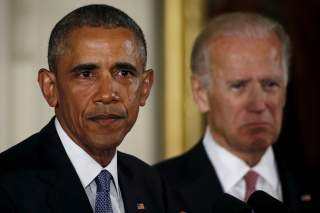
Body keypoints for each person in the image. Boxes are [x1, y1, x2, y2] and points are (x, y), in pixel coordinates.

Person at [0, 4, 167, 213]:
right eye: (86, 74)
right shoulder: (7, 186)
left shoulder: (150, 184)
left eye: (124, 73)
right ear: (50, 88)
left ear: (145, 87)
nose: (107, 94)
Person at [155, 12, 312, 212]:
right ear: (201, 93)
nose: (258, 104)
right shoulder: (153, 190)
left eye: (270, 84)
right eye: (239, 86)